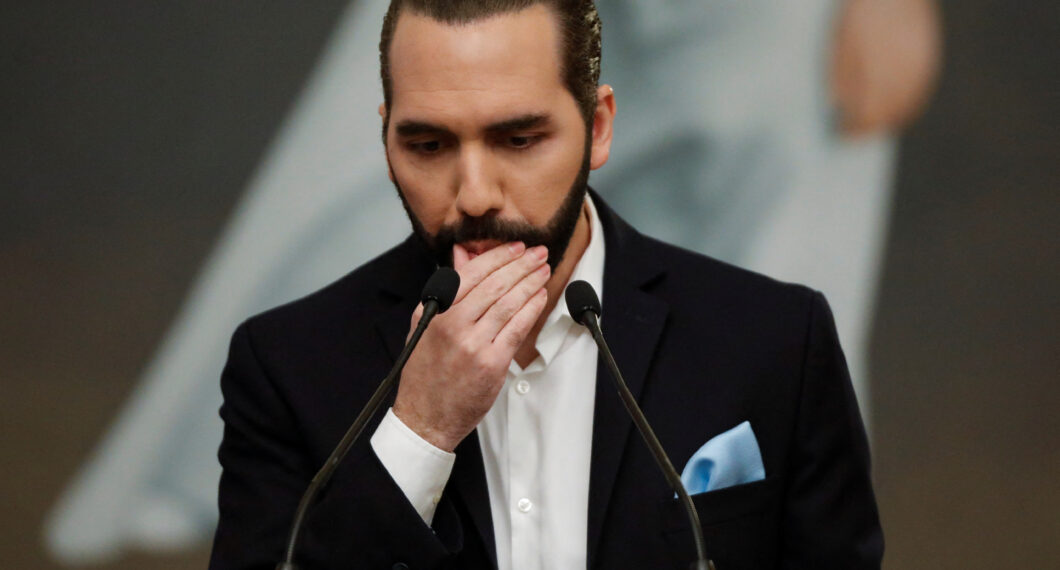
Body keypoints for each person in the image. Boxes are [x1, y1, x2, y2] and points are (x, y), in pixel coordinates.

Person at [209, 1, 883, 568]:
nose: (474, 195)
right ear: (386, 142)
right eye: (428, 146)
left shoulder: (775, 338)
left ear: (597, 128)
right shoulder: (285, 365)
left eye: (519, 139)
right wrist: (420, 429)